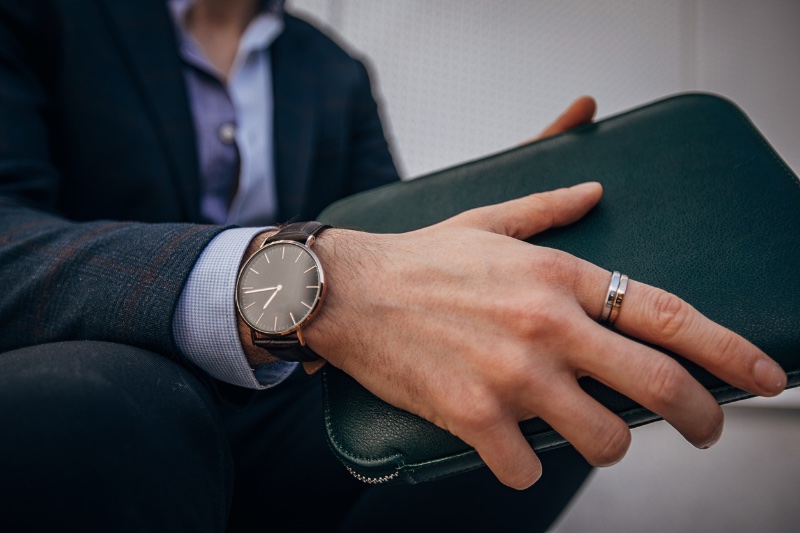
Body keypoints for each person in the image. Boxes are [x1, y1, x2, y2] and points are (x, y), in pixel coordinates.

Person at [0, 0, 787, 531]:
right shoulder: (42, 14)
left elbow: (382, 236)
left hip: (292, 399)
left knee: (548, 383)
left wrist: (491, 210)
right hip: (108, 373)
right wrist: (303, 283)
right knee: (101, 407)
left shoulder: (330, 69)